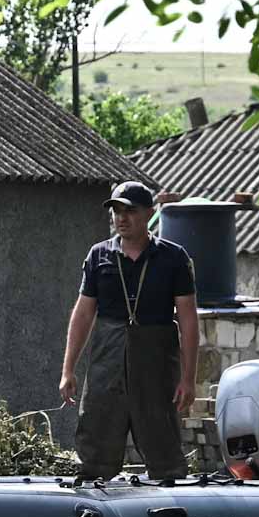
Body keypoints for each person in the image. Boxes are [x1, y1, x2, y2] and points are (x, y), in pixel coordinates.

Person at [59, 182, 200, 480]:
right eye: (116, 211)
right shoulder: (99, 256)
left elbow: (188, 319)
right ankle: (92, 499)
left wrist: (188, 379)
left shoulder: (173, 258)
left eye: (130, 211)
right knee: (95, 433)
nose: (121, 218)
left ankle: (170, 505)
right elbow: (84, 313)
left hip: (156, 361)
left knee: (162, 440)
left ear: (149, 213)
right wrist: (68, 369)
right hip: (107, 360)